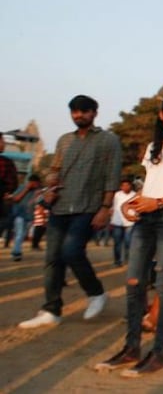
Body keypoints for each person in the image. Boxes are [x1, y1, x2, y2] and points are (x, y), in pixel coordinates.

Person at [95, 93, 163, 377]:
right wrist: (136, 204)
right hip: (147, 217)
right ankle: (131, 348)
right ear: (162, 115)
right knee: (133, 282)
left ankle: (158, 354)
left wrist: (157, 203)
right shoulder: (152, 146)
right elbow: (150, 184)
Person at [19, 95, 121, 329]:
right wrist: (50, 187)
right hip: (61, 205)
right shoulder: (64, 141)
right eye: (75, 111)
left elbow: (112, 175)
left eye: (84, 111)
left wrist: (106, 207)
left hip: (89, 206)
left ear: (94, 113)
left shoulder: (108, 140)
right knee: (52, 258)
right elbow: (54, 169)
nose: (79, 115)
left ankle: (96, 293)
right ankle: (51, 309)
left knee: (72, 251)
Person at [9, 174, 41, 261]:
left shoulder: (38, 191)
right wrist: (26, 189)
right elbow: (16, 199)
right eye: (35, 183)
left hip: (29, 216)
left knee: (22, 234)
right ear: (31, 182)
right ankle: (16, 252)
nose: (37, 185)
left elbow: (33, 203)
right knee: (19, 233)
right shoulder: (22, 188)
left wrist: (36, 195)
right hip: (19, 214)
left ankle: (16, 251)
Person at [109, 178, 137, 267]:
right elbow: (113, 207)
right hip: (117, 221)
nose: (125, 187)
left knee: (128, 242)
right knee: (117, 243)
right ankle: (117, 261)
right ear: (121, 187)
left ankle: (128, 260)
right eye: (123, 185)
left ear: (130, 186)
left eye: (127, 185)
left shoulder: (135, 195)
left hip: (130, 222)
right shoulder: (117, 195)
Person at [0, 137, 19, 249]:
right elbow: (13, 183)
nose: (4, 143)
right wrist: (7, 192)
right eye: (2, 141)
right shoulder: (6, 162)